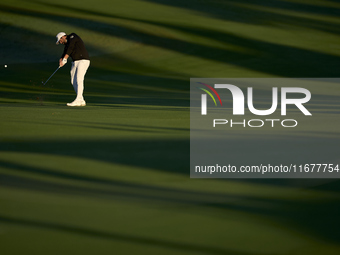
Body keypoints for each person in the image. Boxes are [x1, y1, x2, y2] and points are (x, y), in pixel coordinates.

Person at [56, 32, 90, 106]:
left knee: (79, 79)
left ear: (63, 37)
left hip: (83, 60)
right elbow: (66, 50)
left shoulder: (73, 36)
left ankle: (78, 99)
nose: (60, 42)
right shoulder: (67, 44)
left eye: (60, 40)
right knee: (73, 81)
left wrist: (65, 58)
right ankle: (81, 99)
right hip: (75, 62)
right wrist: (61, 58)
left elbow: (70, 47)